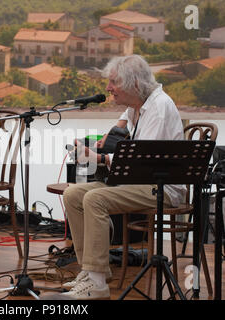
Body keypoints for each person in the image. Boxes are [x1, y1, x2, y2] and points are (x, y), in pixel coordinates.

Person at [61, 54, 186, 299]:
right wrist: (96, 145)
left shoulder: (159, 107)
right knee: (73, 194)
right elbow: (120, 130)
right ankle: (93, 271)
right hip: (139, 183)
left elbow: (139, 161)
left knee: (95, 199)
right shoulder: (138, 104)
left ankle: (97, 285)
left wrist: (97, 158)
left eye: (114, 82)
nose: (108, 88)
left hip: (162, 189)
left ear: (135, 85)